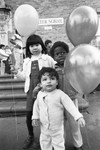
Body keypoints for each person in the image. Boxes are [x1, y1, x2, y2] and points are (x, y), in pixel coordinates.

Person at [11, 34, 56, 149]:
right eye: (31, 46)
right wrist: (16, 72)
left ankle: (46, 137)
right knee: (29, 115)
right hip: (31, 92)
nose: (34, 48)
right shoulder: (27, 61)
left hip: (45, 92)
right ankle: (31, 136)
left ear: (41, 46)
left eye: (37, 45)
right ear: (28, 48)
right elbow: (25, 77)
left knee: (45, 115)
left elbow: (55, 71)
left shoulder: (48, 59)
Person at [32, 67, 85, 150]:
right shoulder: (40, 94)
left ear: (57, 82)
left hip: (57, 128)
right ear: (40, 84)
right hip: (44, 127)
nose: (49, 81)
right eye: (45, 79)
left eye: (52, 79)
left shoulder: (60, 94)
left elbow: (70, 105)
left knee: (58, 144)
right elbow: (36, 106)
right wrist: (35, 117)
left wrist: (78, 116)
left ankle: (76, 144)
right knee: (44, 142)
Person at [50, 41, 89, 150]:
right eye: (57, 54)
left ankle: (78, 145)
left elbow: (80, 79)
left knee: (75, 124)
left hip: (71, 100)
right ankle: (59, 145)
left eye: (63, 52)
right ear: (53, 56)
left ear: (68, 53)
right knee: (59, 126)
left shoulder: (72, 67)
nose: (60, 55)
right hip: (57, 102)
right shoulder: (53, 69)